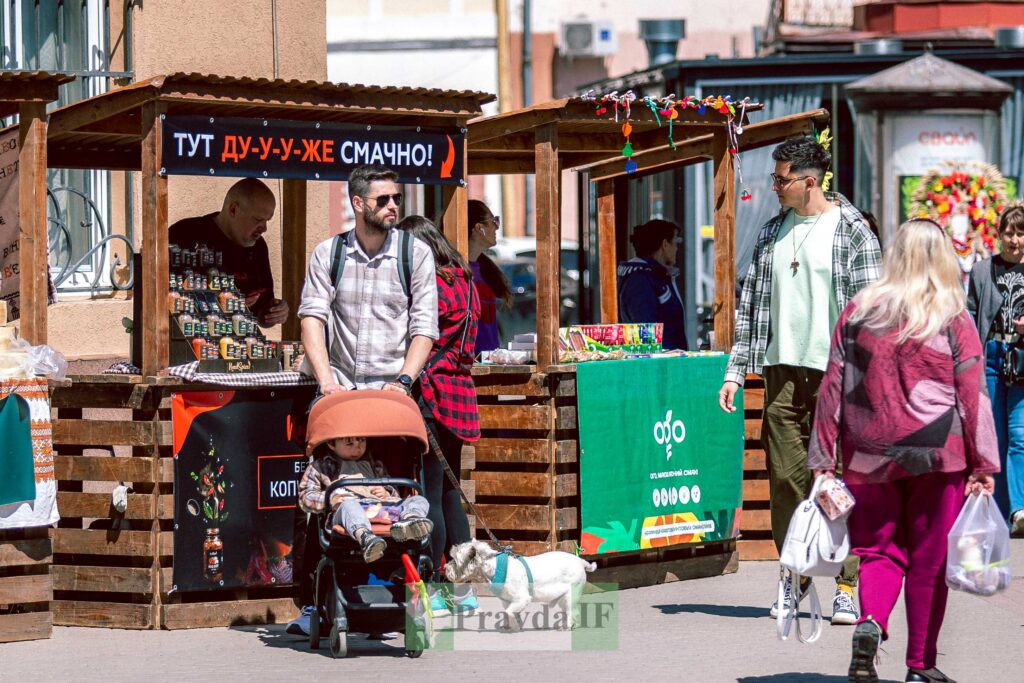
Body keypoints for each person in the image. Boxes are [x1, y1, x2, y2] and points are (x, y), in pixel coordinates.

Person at [808, 219, 999, 683]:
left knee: (877, 553)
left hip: (867, 452)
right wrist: (983, 463)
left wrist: (822, 458)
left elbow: (832, 385)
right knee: (929, 562)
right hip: (939, 455)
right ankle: (920, 665)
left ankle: (870, 624)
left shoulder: (858, 311)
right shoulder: (952, 313)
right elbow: (971, 392)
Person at [717, 135, 882, 625]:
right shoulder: (771, 233)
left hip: (838, 376)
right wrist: (734, 372)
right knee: (786, 482)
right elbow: (748, 308)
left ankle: (848, 583)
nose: (774, 187)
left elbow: (870, 315)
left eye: (781, 179)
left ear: (810, 181)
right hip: (781, 374)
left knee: (838, 484)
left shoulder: (852, 231)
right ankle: (795, 577)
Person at [398, 215, 481, 614]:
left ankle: (432, 587)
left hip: (431, 393)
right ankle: (463, 590)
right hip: (459, 392)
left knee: (429, 493)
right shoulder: (465, 280)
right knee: (451, 494)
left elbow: (418, 336)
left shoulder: (432, 285)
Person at [298, 165, 438, 394]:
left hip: (393, 387)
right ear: (358, 203)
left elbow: (425, 326)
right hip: (341, 385)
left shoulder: (415, 253)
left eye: (397, 198)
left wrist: (403, 381)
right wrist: (327, 382)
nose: (393, 206)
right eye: (383, 200)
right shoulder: (329, 253)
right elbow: (311, 319)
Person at [966, 201, 1024, 537]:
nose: (1014, 240)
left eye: (1020, 233)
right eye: (1009, 232)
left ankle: (1018, 508)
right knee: (995, 436)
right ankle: (1000, 511)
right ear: (999, 234)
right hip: (989, 355)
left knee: (1019, 435)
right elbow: (970, 315)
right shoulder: (981, 271)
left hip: (1021, 358)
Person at [169, 178, 289, 327]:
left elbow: (262, 309)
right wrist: (225, 306)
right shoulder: (185, 235)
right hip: (189, 340)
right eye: (258, 219)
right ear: (233, 210)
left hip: (238, 342)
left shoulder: (258, 247)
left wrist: (276, 312)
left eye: (267, 220)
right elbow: (165, 297)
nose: (264, 228)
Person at [297, 435, 433, 563]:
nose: (358, 447)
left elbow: (394, 491)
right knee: (349, 505)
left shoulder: (374, 464)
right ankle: (366, 537)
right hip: (347, 513)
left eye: (362, 441)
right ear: (332, 444)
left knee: (419, 500)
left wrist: (387, 492)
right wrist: (330, 498)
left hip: (382, 509)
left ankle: (411, 521)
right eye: (350, 443)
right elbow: (306, 497)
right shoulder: (320, 467)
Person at [617, 219, 688, 350]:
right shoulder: (640, 280)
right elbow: (647, 330)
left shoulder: (657, 276)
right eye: (675, 242)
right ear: (665, 244)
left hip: (670, 359)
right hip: (661, 363)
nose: (677, 249)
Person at [463, 199, 512, 353]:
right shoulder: (457, 270)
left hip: (489, 361)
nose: (497, 227)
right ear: (479, 228)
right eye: (494, 221)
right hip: (469, 364)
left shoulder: (483, 268)